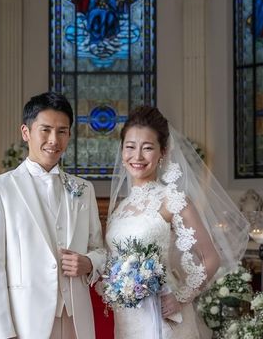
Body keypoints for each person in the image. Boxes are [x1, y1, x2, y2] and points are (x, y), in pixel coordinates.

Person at [105, 106, 250, 338]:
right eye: (130, 147)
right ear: (122, 151)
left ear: (162, 152)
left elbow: (211, 258)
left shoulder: (173, 200)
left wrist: (181, 297)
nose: (137, 156)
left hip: (164, 318)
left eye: (147, 148)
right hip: (127, 318)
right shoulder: (120, 208)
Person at [0, 92, 106, 339]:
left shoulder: (84, 189)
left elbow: (99, 249)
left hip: (76, 320)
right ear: (26, 132)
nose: (54, 140)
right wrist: (2, 332)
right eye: (45, 130)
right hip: (25, 322)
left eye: (62, 131)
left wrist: (89, 262)